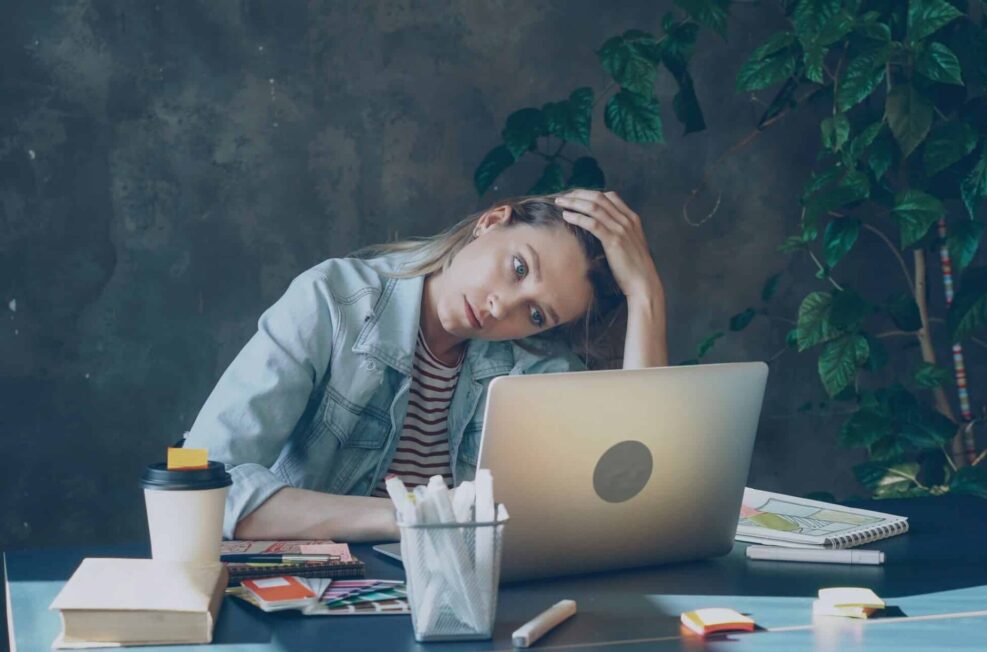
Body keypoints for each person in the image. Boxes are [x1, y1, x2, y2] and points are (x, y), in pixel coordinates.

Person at [182, 189, 668, 542]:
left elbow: (629, 504)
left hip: (462, 610)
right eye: (519, 268)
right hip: (315, 603)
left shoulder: (534, 370)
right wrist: (411, 516)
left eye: (536, 314)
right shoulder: (332, 299)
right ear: (492, 221)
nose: (504, 307)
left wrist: (644, 296)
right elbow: (195, 480)